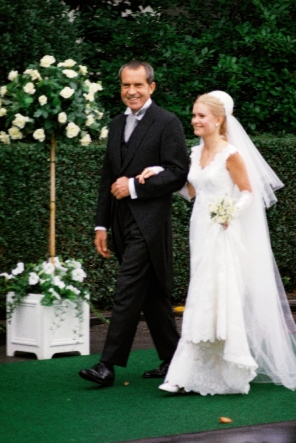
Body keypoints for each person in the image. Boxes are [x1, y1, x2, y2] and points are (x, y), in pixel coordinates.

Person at [138, 91, 296, 395]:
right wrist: (156, 171)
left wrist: (230, 211)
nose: (194, 120)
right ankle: (193, 370)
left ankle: (212, 369)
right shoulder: (194, 154)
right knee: (201, 291)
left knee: (218, 293)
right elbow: (191, 190)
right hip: (200, 229)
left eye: (201, 116)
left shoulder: (231, 154)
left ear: (218, 120)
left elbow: (249, 192)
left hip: (222, 232)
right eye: (193, 115)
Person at [79, 60, 188, 387]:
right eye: (126, 85)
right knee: (151, 293)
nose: (132, 91)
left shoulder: (167, 122)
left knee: (126, 289)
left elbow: (177, 172)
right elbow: (107, 179)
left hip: (150, 225)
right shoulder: (116, 124)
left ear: (151, 87)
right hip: (121, 223)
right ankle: (175, 361)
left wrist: (137, 187)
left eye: (138, 85)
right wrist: (101, 225)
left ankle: (107, 364)